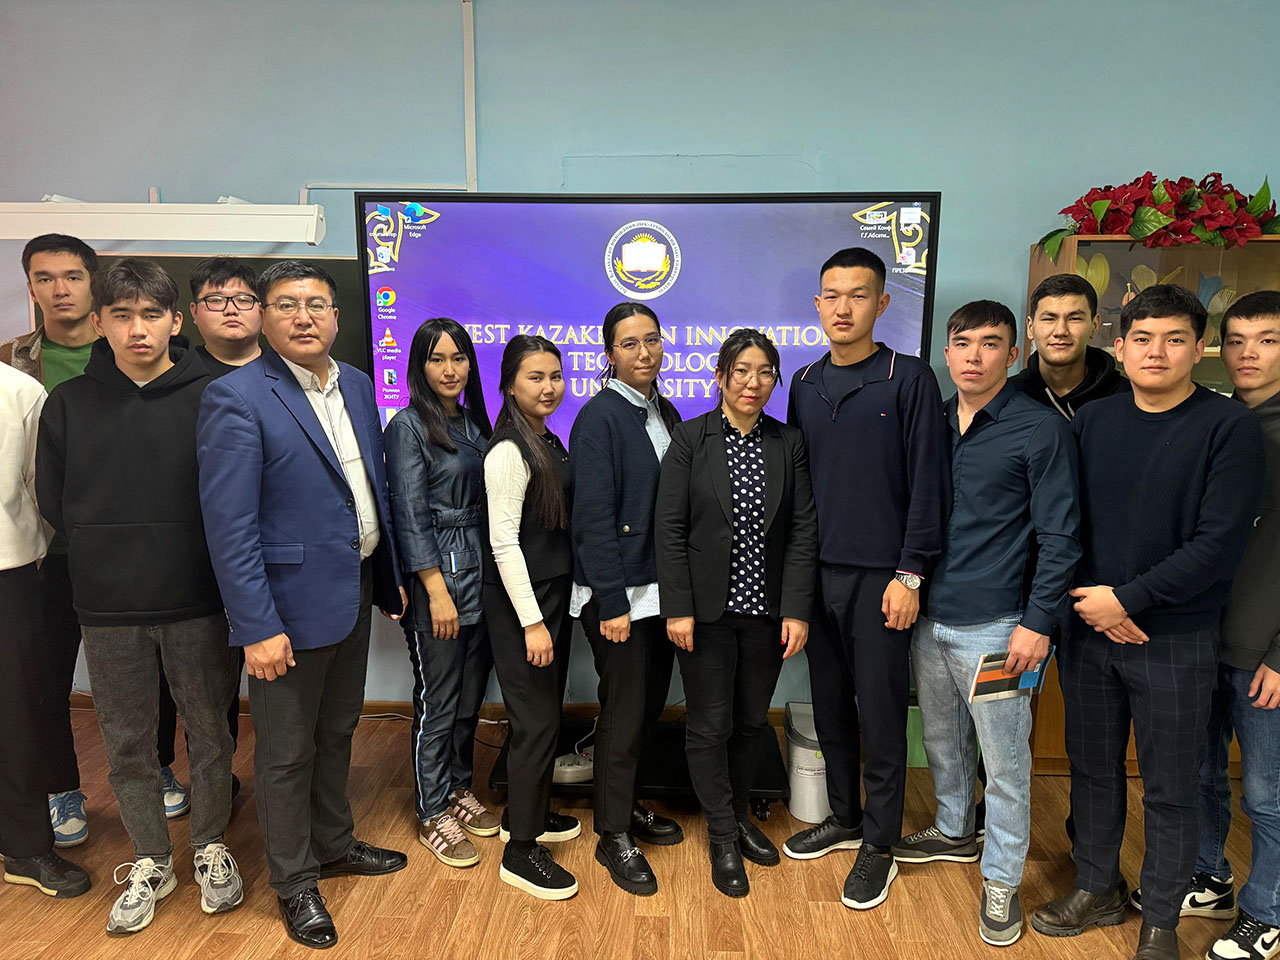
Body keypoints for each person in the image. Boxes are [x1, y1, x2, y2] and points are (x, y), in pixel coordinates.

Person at [1031, 285, 1266, 960]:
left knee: (1170, 786)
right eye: (1142, 338)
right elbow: (1064, 523)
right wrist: (1095, 605)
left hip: (1176, 638)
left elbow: (1219, 543)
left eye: (1173, 339)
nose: (1156, 352)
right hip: (1089, 629)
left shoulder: (1229, 427)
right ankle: (1097, 886)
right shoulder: (1093, 421)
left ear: (1199, 348)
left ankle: (1160, 921)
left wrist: (1128, 602)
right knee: (1092, 771)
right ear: (1120, 345)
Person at [197, 260, 408, 950]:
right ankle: (294, 882)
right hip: (284, 611)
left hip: (351, 589)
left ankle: (334, 843)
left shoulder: (357, 384)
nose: (304, 316)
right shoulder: (236, 397)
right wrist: (256, 626)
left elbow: (369, 489)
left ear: (337, 317)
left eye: (317, 304)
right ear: (263, 316)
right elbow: (229, 527)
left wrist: (387, 578)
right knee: (286, 753)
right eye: (286, 304)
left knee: (338, 730)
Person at [35, 258, 243, 934]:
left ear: (176, 321)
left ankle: (210, 845)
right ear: (99, 322)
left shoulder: (215, 394)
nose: (138, 330)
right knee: (126, 743)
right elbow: (54, 499)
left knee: (209, 733)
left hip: (198, 598)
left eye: (152, 314)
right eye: (122, 316)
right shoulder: (69, 403)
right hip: (108, 604)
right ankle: (152, 858)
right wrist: (110, 546)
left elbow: (234, 496)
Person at [893, 301, 1080, 947]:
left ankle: (1001, 878)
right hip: (929, 617)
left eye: (990, 343)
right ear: (946, 353)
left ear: (1012, 353)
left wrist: (1039, 621)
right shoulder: (933, 424)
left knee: (1004, 766)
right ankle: (953, 830)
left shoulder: (1039, 429)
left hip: (1000, 627)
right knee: (942, 740)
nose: (974, 356)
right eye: (963, 343)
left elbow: (1061, 538)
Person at [782, 247, 949, 911]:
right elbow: (798, 488)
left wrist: (911, 573)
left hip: (884, 578)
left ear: (882, 304)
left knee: (880, 715)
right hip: (818, 574)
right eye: (832, 295)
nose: (843, 307)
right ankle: (845, 817)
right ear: (817, 304)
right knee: (828, 705)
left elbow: (930, 483)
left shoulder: (909, 378)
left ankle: (880, 842)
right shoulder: (804, 382)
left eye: (858, 295)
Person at [656, 328, 817, 898]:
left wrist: (796, 609)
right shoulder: (690, 437)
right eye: (741, 371)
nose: (753, 382)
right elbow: (669, 528)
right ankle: (722, 834)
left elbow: (802, 531)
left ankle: (740, 815)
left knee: (751, 722)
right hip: (705, 613)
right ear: (721, 376)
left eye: (765, 372)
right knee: (709, 725)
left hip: (766, 613)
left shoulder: (788, 442)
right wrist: (678, 608)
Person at [569, 302, 685, 896]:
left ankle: (628, 804)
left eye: (653, 340)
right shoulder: (599, 417)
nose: (645, 352)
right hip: (619, 598)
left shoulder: (664, 410)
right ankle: (612, 833)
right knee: (622, 713)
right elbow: (592, 519)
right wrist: (612, 601)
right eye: (630, 343)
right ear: (610, 354)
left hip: (661, 593)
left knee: (645, 709)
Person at [385, 317, 499, 868]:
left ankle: (457, 787)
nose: (449, 369)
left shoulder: (475, 423)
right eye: (437, 359)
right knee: (439, 701)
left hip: (483, 571)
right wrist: (435, 590)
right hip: (441, 580)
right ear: (420, 366)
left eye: (458, 358)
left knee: (469, 699)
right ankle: (431, 810)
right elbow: (409, 515)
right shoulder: (407, 427)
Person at [155, 256, 264, 818]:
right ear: (192, 314)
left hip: (276, 562)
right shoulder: (171, 382)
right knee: (207, 694)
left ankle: (284, 796)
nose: (230, 310)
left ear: (261, 310)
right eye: (216, 300)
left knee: (279, 687)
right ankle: (215, 794)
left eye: (243, 299)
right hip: (195, 566)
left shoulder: (288, 374)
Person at [1, 233, 99, 848]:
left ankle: (160, 769)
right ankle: (61, 785)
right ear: (30, 287)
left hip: (120, 548)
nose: (59, 289)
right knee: (46, 678)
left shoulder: (131, 348)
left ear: (93, 282)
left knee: (150, 674)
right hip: (43, 556)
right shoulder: (12, 366)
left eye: (72, 276)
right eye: (44, 278)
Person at [1194, 290, 1280, 960]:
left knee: (1266, 794)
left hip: (1263, 651)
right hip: (1199, 638)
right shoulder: (1220, 422)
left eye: (1268, 340)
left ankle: (1266, 913)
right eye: (1237, 339)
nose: (1248, 353)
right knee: (1200, 772)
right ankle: (1210, 877)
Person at [483, 334, 580, 900]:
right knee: (536, 723)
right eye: (535, 377)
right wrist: (532, 622)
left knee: (544, 715)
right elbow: (503, 543)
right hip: (525, 605)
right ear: (508, 385)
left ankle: (529, 814)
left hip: (550, 596)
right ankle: (520, 851)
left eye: (555, 376)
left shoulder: (547, 439)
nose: (548, 387)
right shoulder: (507, 452)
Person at [0, 361, 91, 901]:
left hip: (6, 570)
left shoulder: (19, 391)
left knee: (16, 710)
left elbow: (44, 489)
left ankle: (24, 845)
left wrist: (25, 547)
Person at [1011, 273, 1130, 416]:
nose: (1060, 331)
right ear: (1030, 327)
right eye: (1049, 319)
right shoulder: (1009, 397)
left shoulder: (1126, 397)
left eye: (1074, 319)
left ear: (1094, 326)